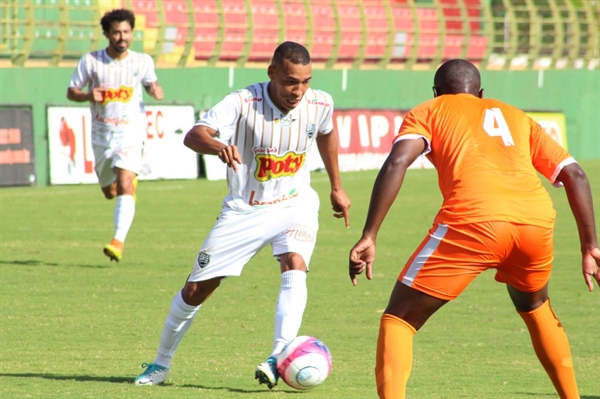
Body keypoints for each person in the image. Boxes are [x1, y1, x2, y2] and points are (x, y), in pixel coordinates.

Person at [349, 59, 600, 399]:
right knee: (534, 305)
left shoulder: (430, 110)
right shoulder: (516, 116)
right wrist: (589, 246)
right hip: (535, 222)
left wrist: (370, 233)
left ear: (436, 92)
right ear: (481, 94)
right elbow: (576, 175)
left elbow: (397, 161)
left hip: (474, 220)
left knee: (399, 319)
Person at [134, 41, 351, 387]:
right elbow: (195, 135)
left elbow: (326, 133)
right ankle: (160, 364)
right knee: (197, 289)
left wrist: (336, 186)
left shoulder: (320, 102)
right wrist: (219, 146)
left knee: (294, 263)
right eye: (291, 81)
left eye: (306, 81)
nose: (299, 90)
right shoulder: (242, 102)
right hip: (245, 210)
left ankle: (278, 356)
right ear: (272, 73)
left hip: (296, 202)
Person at [66, 8, 164, 262]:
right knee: (110, 191)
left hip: (130, 133)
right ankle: (127, 187)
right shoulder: (91, 61)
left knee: (124, 183)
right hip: (101, 135)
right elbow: (71, 91)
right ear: (107, 34)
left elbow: (151, 83)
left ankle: (117, 241)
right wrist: (88, 95)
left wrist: (154, 88)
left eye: (127, 32)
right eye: (117, 32)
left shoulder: (143, 61)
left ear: (132, 33)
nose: (122, 37)